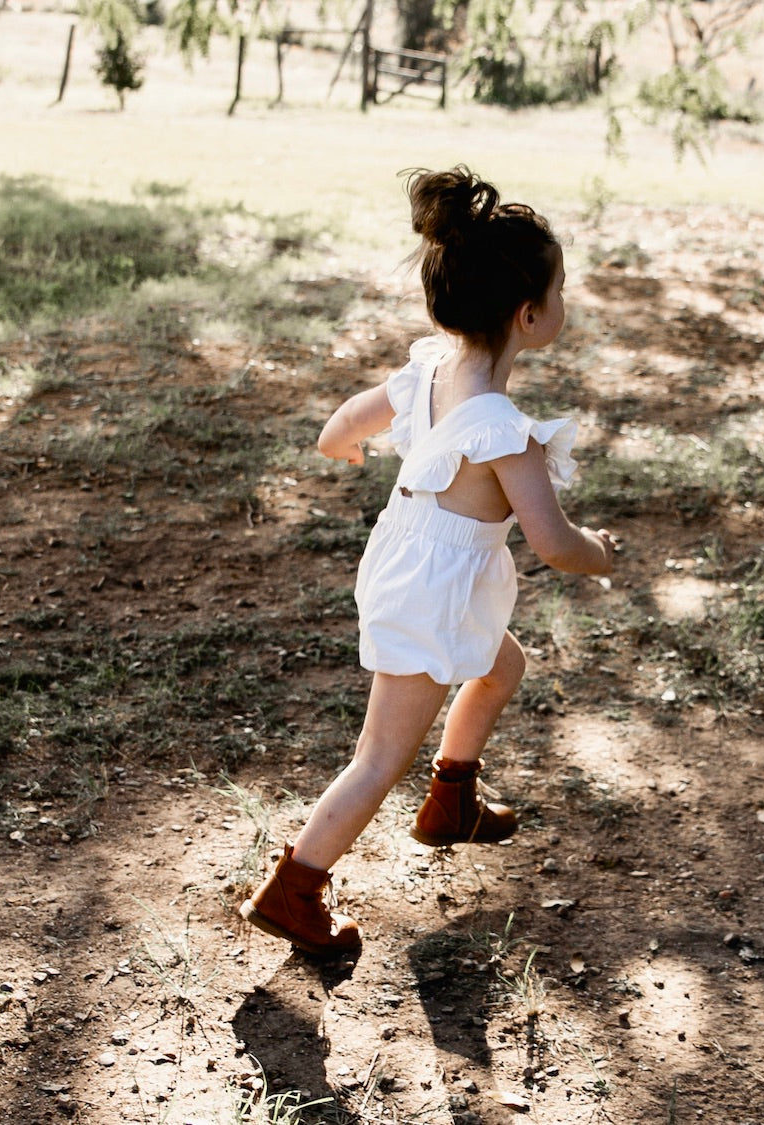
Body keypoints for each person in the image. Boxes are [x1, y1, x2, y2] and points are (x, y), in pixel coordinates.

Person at [240, 166, 616, 956]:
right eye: (562, 291)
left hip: (410, 563)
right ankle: (295, 887)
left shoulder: (427, 374)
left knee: (498, 665)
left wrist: (345, 447)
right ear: (529, 314)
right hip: (434, 591)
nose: (565, 304)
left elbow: (339, 425)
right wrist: (599, 557)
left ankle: (453, 797)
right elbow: (553, 541)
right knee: (378, 756)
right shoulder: (503, 430)